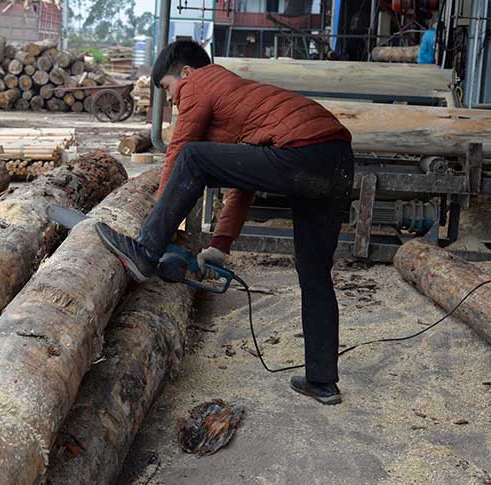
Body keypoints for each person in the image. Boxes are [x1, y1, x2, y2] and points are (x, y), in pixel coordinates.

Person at [95, 40, 354, 405]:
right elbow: (247, 178)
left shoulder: (203, 82)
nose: (171, 101)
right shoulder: (241, 100)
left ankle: (144, 251)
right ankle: (322, 381)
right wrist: (220, 244)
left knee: (193, 156)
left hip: (303, 150)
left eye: (168, 89)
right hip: (338, 159)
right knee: (314, 273)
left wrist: (151, 228)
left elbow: (180, 151)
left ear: (185, 73)